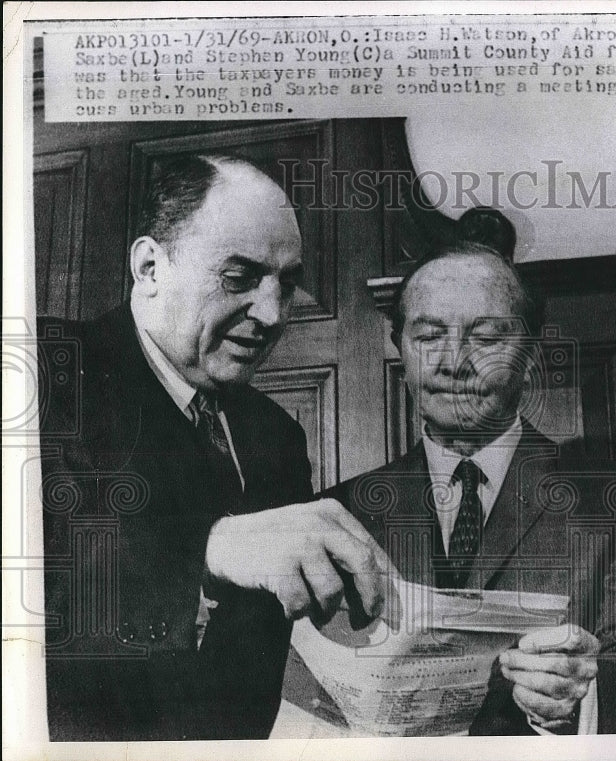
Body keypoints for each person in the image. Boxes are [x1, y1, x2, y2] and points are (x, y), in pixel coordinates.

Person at [37, 154, 389, 740]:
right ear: (150, 266)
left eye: (288, 282)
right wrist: (214, 547)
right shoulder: (43, 374)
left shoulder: (277, 436)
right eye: (239, 277)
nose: (273, 314)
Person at [305, 242, 616, 735]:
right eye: (429, 335)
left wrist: (577, 693)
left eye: (486, 338)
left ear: (530, 354)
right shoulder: (337, 513)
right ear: (400, 348)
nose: (454, 362)